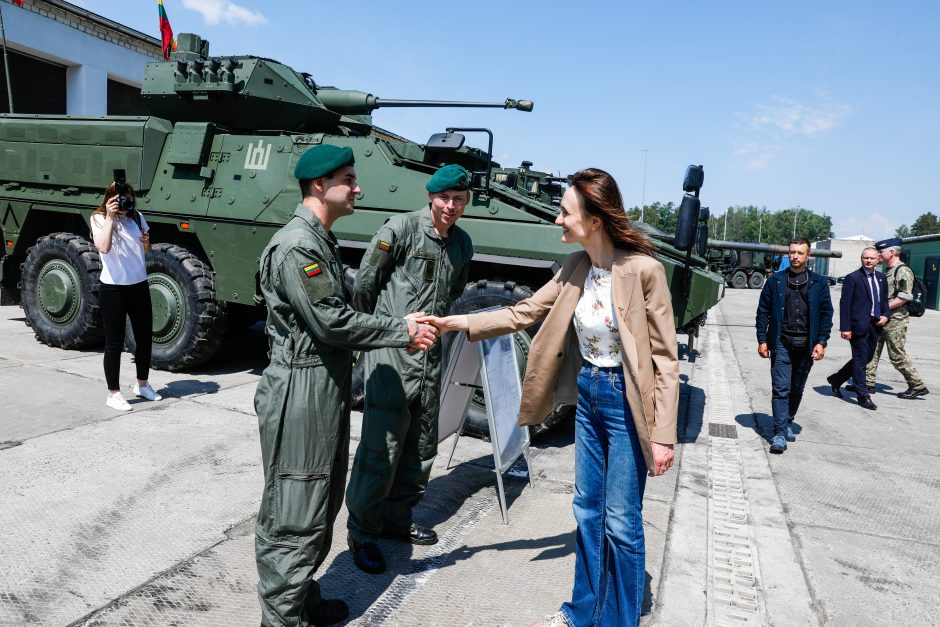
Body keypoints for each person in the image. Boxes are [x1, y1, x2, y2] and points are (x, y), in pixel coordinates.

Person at [423, 168, 678, 627]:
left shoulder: (644, 271)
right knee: (586, 511)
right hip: (589, 397)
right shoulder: (574, 267)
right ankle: (583, 613)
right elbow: (524, 312)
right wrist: (455, 323)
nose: (558, 220)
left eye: (565, 212)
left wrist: (663, 434)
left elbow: (664, 358)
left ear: (595, 219)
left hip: (627, 403)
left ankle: (617, 620)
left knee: (621, 520)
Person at [253, 144, 437, 627]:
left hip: (321, 384)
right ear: (320, 185)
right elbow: (331, 322)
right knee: (296, 508)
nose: (358, 188)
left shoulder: (319, 239)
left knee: (320, 499)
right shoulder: (298, 246)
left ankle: (300, 596)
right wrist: (402, 330)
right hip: (301, 387)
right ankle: (281, 618)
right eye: (349, 179)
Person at [345, 164, 473, 574]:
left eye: (459, 200)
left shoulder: (462, 243)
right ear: (431, 196)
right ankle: (362, 532)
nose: (451, 206)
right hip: (393, 354)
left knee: (420, 447)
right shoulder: (399, 231)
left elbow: (453, 291)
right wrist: (383, 334)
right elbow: (366, 286)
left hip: (429, 355)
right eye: (445, 198)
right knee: (380, 450)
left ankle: (396, 521)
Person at [755, 237, 833, 453]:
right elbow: (763, 312)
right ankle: (779, 432)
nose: (795, 256)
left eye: (800, 253)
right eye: (792, 252)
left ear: (808, 256)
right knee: (781, 389)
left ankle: (787, 421)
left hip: (806, 345)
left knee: (796, 388)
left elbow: (827, 314)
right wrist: (762, 339)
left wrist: (821, 341)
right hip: (781, 343)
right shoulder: (775, 281)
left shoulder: (819, 282)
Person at [90, 181, 162, 411]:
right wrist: (111, 217)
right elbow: (103, 247)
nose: (124, 201)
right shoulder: (99, 218)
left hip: (138, 285)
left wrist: (146, 242)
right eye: (118, 197)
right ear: (108, 198)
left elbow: (145, 249)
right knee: (114, 343)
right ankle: (113, 394)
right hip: (113, 289)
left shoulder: (137, 217)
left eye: (127, 197)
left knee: (144, 339)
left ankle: (142, 384)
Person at [864, 237, 929, 399]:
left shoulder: (903, 270)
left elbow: (904, 297)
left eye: (881, 251)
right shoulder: (888, 270)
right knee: (872, 351)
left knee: (896, 355)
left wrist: (881, 308)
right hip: (881, 318)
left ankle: (917, 385)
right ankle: (868, 383)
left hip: (896, 320)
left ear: (892, 252)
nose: (878, 254)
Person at [826, 247, 889, 409]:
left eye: (872, 258)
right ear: (861, 259)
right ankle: (863, 396)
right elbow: (845, 304)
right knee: (861, 360)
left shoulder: (881, 278)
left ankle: (837, 379)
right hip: (857, 325)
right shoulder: (853, 278)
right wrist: (845, 328)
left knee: (866, 358)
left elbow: (884, 302)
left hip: (875, 325)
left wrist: (886, 315)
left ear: (878, 260)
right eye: (865, 258)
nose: (868, 261)